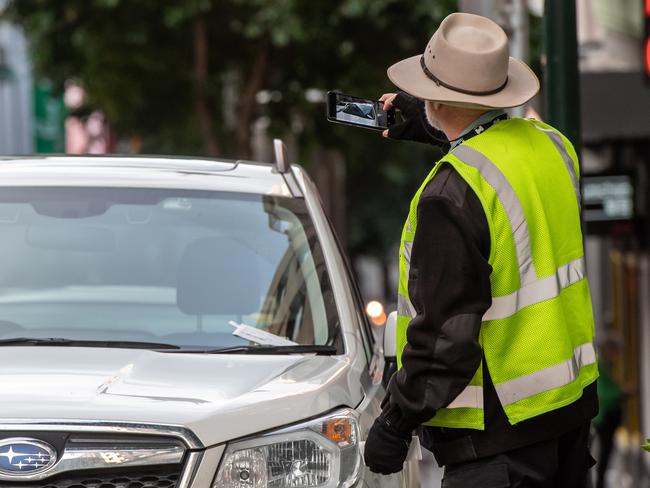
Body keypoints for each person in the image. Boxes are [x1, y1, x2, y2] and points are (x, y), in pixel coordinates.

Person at [362, 12, 599, 487]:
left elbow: (444, 341)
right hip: (567, 421)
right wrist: (434, 126)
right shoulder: (554, 146)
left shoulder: (448, 197)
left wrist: (395, 423)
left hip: (496, 442)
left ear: (435, 99)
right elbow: (499, 154)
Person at [593, 332, 625, 488]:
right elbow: (603, 393)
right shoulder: (600, 365)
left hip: (607, 416)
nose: (617, 355)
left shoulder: (606, 365)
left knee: (606, 452)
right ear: (608, 349)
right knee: (604, 452)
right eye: (615, 351)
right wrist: (622, 392)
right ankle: (599, 483)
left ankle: (600, 482)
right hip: (604, 417)